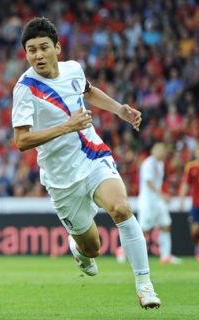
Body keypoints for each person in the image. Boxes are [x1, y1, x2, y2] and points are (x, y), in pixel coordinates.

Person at [11, 17, 160, 309]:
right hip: (60, 178)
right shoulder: (25, 88)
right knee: (93, 247)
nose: (38, 55)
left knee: (120, 208)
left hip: (91, 155)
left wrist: (119, 110)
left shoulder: (74, 69)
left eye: (43, 48)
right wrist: (67, 126)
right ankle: (79, 249)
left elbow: (88, 91)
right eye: (31, 50)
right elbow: (21, 141)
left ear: (57, 48)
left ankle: (144, 285)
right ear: (26, 54)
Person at [138, 142, 181, 264]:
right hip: (148, 201)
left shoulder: (160, 164)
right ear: (153, 151)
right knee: (144, 230)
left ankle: (165, 256)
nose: (163, 152)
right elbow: (149, 182)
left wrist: (161, 196)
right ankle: (123, 250)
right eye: (160, 150)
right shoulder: (148, 163)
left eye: (163, 150)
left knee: (166, 224)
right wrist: (162, 195)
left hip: (157, 201)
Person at [179, 144, 199, 261]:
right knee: (195, 231)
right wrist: (181, 198)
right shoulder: (191, 167)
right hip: (196, 204)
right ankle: (197, 246)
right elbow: (186, 184)